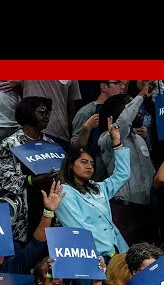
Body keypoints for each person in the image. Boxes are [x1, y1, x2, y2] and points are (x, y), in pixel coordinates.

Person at [55, 116, 130, 258]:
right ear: (71, 165)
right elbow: (80, 229)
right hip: (94, 256)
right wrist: (108, 253)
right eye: (84, 162)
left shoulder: (96, 187)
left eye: (92, 164)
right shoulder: (64, 191)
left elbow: (122, 175)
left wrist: (116, 142)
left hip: (117, 250)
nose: (89, 167)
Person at [97, 85, 157, 246]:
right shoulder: (107, 139)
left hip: (146, 209)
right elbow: (122, 123)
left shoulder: (139, 138)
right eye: (130, 107)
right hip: (123, 210)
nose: (138, 110)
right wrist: (140, 96)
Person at [0, 96, 58, 244]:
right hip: (23, 213)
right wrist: (34, 180)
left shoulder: (51, 143)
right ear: (28, 114)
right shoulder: (10, 143)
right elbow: (5, 180)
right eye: (42, 112)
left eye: (48, 112)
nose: (47, 116)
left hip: (46, 207)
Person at [71, 80, 126, 182]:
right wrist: (87, 129)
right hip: (95, 173)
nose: (122, 87)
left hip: (117, 167)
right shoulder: (86, 112)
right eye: (118, 83)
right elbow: (75, 148)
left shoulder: (122, 110)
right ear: (104, 87)